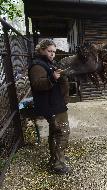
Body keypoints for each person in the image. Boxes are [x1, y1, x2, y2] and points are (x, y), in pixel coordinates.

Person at [28, 39, 70, 174]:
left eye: (54, 52)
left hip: (56, 104)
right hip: (51, 106)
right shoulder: (37, 66)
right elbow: (37, 84)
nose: (52, 54)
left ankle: (56, 157)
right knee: (62, 132)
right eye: (49, 51)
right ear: (41, 50)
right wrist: (53, 78)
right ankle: (58, 164)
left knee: (55, 132)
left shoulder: (48, 63)